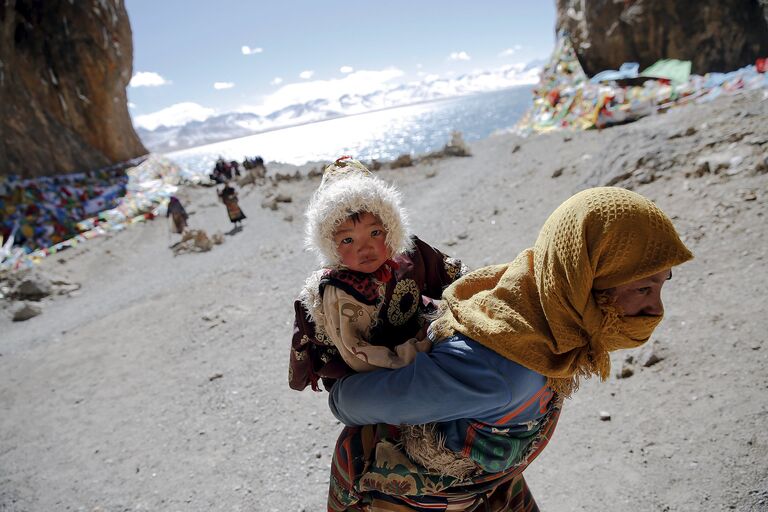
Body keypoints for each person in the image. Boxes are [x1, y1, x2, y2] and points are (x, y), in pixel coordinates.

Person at [325, 186, 694, 511]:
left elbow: (348, 402)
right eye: (644, 289)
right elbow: (349, 403)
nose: (656, 309)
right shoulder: (503, 365)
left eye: (662, 284)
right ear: (583, 278)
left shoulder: (535, 291)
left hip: (490, 482)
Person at [289, 156, 466, 393]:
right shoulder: (338, 290)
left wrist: (479, 295)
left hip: (419, 347)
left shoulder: (409, 253)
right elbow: (359, 356)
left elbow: (452, 274)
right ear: (330, 246)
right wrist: (426, 345)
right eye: (347, 240)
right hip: (366, 376)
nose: (365, 248)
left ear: (391, 228)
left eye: (375, 232)